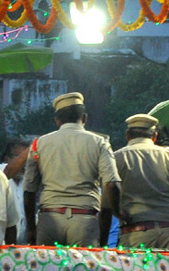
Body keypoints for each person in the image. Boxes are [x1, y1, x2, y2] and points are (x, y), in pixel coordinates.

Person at [22, 92, 121, 247]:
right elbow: (112, 185)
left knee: (48, 270)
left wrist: (31, 228)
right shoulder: (100, 143)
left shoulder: (38, 144)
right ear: (84, 118)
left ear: (57, 120)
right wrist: (117, 217)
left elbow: (29, 190)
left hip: (49, 219)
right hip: (85, 221)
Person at [102, 114, 169, 250]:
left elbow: (105, 209)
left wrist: (102, 244)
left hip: (135, 234)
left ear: (128, 135)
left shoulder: (116, 159)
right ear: (154, 136)